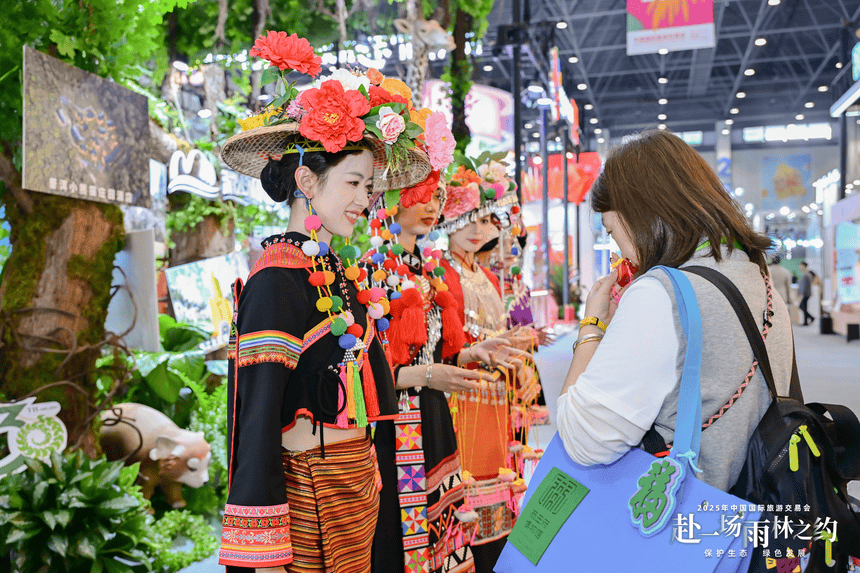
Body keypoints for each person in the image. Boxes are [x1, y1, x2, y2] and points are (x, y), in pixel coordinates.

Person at [217, 40, 433, 573]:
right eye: (353, 183)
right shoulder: (276, 280)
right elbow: (258, 414)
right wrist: (262, 546)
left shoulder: (335, 270)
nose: (364, 199)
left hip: (355, 486)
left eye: (368, 186)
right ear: (307, 181)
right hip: (311, 494)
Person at [557, 129, 793, 495]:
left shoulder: (661, 294)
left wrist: (592, 326)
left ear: (636, 215)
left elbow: (583, 439)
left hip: (682, 514)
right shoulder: (756, 277)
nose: (619, 250)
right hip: (750, 504)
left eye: (611, 231)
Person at [367, 170, 521, 573]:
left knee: (443, 531)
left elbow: (431, 356)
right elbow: (368, 371)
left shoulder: (425, 269)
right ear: (389, 200)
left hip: (434, 416)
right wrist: (427, 376)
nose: (431, 206)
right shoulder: (372, 270)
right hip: (397, 427)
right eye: (419, 195)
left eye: (436, 196)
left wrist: (471, 353)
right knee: (404, 535)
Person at [436, 160, 531, 573]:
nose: (476, 230)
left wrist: (515, 348)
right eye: (466, 219)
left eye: (483, 220)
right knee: (470, 484)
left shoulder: (488, 277)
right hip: (462, 393)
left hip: (494, 393)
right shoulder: (441, 272)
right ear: (447, 221)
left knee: (498, 479)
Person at [798, 261, 814, 325]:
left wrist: (802, 295)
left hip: (805, 294)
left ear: (804, 266)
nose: (799, 267)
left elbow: (804, 286)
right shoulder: (806, 274)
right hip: (806, 294)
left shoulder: (806, 275)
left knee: (802, 306)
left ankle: (811, 318)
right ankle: (806, 321)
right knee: (804, 307)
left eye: (800, 266)